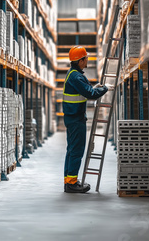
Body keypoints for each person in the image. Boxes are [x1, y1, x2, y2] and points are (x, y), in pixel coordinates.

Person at [63, 46, 109, 193]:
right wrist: (105, 88)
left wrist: (95, 87)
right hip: (76, 118)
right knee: (76, 150)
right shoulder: (76, 76)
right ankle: (71, 184)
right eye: (86, 57)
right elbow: (91, 94)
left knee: (71, 150)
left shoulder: (73, 74)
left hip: (72, 117)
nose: (87, 59)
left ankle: (69, 180)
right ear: (80, 60)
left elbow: (85, 90)